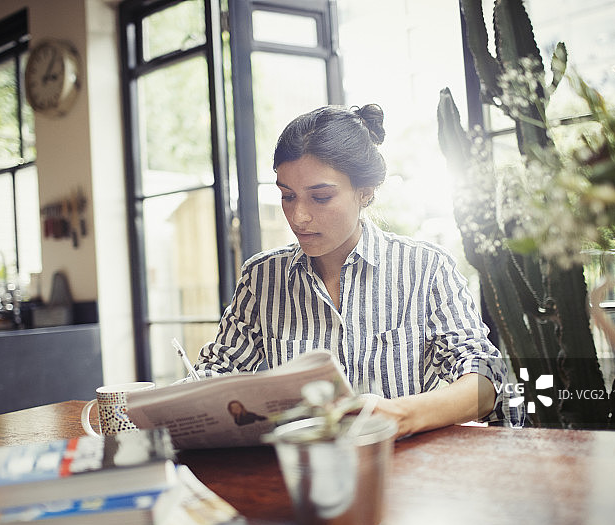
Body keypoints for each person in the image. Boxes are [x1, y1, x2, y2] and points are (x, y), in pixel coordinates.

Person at [195, 104, 521, 438]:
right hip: (303, 463)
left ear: (365, 192)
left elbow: (487, 381)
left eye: (321, 197)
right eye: (287, 196)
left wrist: (402, 415)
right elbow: (215, 373)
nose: (299, 217)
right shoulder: (262, 278)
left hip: (404, 462)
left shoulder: (426, 268)